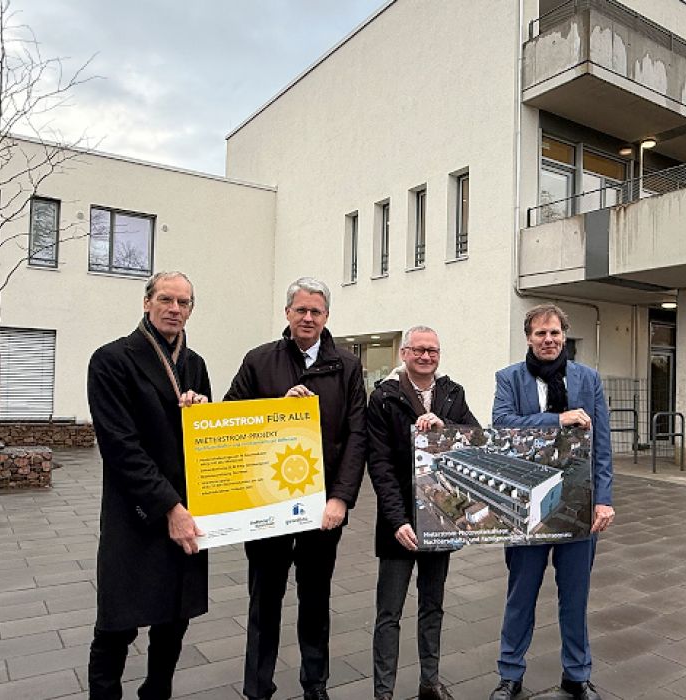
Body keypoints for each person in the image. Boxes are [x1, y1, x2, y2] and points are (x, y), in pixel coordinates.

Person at [226, 277, 367, 700]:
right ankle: (257, 688)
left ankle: (315, 685)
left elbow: (356, 434)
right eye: (301, 310)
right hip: (268, 503)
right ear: (287, 313)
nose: (308, 318)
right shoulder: (258, 361)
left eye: (316, 312)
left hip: (321, 507)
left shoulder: (347, 365)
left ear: (327, 317)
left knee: (315, 602)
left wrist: (341, 498)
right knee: (263, 602)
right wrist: (277, 410)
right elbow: (232, 419)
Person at [86, 271, 211, 700]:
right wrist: (169, 508)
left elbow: (206, 445)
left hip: (187, 511)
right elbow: (120, 447)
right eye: (166, 300)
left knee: (173, 622)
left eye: (183, 303)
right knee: (117, 626)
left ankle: (157, 694)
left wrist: (202, 416)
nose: (174, 309)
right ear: (147, 302)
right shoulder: (111, 359)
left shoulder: (195, 365)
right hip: (137, 514)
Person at [489, 304, 614, 700]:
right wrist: (556, 419)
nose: (548, 340)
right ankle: (510, 675)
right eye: (540, 334)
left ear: (564, 336)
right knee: (520, 596)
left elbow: (603, 446)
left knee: (575, 597)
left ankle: (576, 675)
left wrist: (604, 500)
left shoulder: (588, 379)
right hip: (525, 506)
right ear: (528, 337)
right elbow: (503, 425)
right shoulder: (509, 378)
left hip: (577, 504)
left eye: (555, 333)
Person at [366, 326, 479, 700]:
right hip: (398, 523)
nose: (426, 356)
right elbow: (379, 465)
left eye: (433, 350)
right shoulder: (384, 397)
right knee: (389, 614)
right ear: (404, 353)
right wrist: (397, 521)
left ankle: (429, 683)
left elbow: (475, 439)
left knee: (433, 607)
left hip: (440, 518)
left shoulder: (452, 393)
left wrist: (445, 430)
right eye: (419, 350)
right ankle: (384, 692)